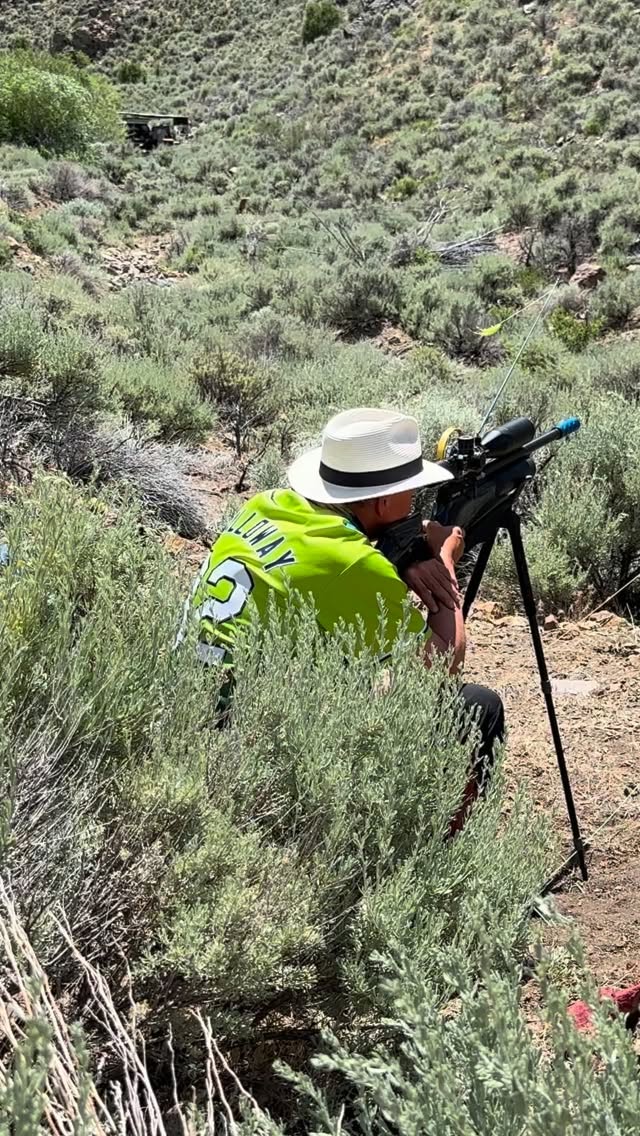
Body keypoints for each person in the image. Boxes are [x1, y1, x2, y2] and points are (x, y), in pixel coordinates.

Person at [186, 407, 504, 828]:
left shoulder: (268, 505)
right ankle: (440, 849)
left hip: (194, 713)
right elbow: (443, 661)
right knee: (476, 706)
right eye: (410, 493)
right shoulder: (352, 561)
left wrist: (403, 560)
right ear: (384, 499)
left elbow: (321, 565)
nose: (414, 504)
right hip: (252, 740)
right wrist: (444, 559)